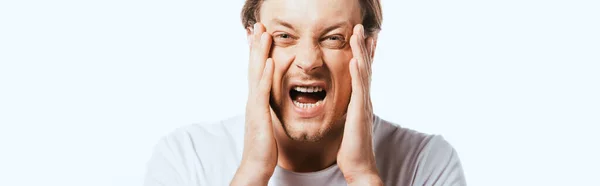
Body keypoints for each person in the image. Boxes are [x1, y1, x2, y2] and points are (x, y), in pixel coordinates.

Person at [144, 0, 467, 185]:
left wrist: (363, 174)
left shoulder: (426, 164)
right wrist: (253, 171)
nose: (309, 61)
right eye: (284, 36)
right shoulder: (186, 160)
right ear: (254, 43)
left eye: (333, 38)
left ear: (368, 48)